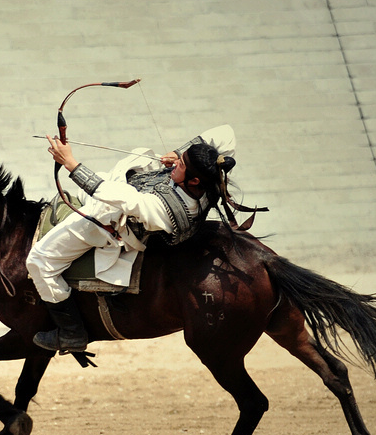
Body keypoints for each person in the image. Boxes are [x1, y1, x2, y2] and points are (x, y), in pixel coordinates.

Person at [25, 126, 240, 353]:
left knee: (39, 261)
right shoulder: (210, 173)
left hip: (110, 223)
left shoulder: (168, 209)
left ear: (194, 181)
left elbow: (121, 198)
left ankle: (71, 332)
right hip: (124, 189)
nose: (177, 164)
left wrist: (70, 163)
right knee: (89, 189)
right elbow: (226, 133)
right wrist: (179, 153)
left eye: (182, 165)